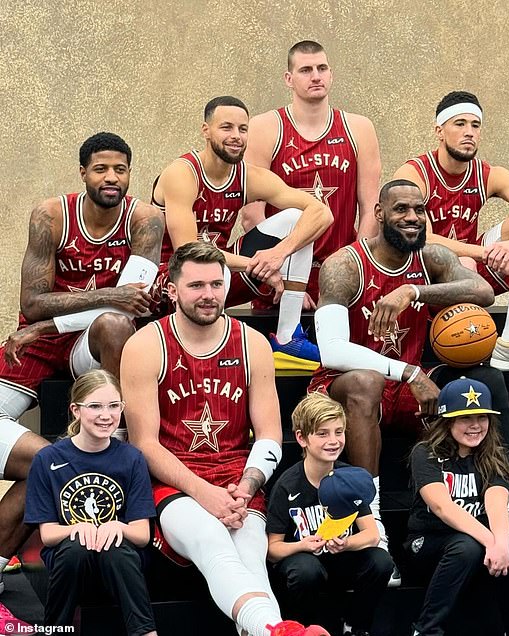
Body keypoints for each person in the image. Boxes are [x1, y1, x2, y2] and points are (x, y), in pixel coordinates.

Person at [310, 179, 509, 575]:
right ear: (379, 214)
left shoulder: (431, 258)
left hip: (406, 383)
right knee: (366, 381)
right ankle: (375, 523)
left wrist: (413, 291)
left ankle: (505, 521)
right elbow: (331, 349)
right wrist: (408, 371)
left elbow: (483, 291)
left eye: (419, 210)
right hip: (346, 384)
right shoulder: (344, 265)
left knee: (484, 383)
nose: (413, 217)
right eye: (401, 209)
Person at [120, 242, 330, 636]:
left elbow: (269, 434)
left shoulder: (251, 343)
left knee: (249, 550)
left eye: (217, 284)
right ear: (172, 289)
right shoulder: (146, 345)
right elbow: (144, 444)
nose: (209, 295)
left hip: (238, 476)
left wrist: (247, 486)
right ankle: (276, 629)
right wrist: (204, 492)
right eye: (196, 285)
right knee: (212, 539)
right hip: (173, 480)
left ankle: (273, 630)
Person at [0, 132, 163, 598]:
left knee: (116, 326)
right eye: (100, 169)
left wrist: (50, 323)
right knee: (47, 466)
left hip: (87, 343)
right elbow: (32, 303)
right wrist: (107, 294)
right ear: (83, 174)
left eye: (120, 170)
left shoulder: (146, 218)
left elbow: (128, 309)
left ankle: (115, 442)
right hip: (33, 347)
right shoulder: (51, 215)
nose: (111, 178)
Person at [151, 95, 333, 371]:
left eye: (243, 129)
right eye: (226, 127)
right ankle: (208, 347)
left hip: (223, 275)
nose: (236, 136)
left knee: (298, 218)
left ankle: (287, 339)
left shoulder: (246, 175)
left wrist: (278, 254)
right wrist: (258, 265)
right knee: (209, 268)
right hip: (170, 282)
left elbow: (322, 213)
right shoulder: (182, 173)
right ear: (206, 130)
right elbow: (187, 251)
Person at [393, 90, 509, 375]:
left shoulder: (486, 173)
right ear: (439, 131)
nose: (469, 132)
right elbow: (422, 238)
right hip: (423, 277)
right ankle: (466, 345)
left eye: (475, 125)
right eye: (459, 124)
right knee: (466, 263)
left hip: (471, 275)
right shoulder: (414, 173)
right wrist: (485, 253)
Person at [241, 40, 381, 308]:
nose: (316, 76)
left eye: (322, 68)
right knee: (283, 348)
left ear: (331, 75)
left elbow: (370, 209)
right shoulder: (265, 127)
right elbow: (252, 215)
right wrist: (284, 279)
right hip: (279, 271)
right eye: (305, 70)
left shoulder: (359, 128)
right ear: (289, 78)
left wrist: (355, 270)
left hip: (341, 268)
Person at [406, 378, 509, 636]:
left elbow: (497, 504)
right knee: (467, 546)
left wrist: (500, 543)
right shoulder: (425, 453)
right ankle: (426, 629)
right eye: (466, 418)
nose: (476, 426)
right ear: (447, 420)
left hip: (472, 541)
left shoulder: (493, 454)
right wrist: (491, 542)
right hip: (428, 540)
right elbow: (441, 507)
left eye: (482, 417)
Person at [23, 370, 157, 633]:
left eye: (113, 406)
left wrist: (116, 527)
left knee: (115, 546)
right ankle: (56, 629)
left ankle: (145, 631)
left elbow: (142, 535)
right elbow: (49, 534)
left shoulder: (132, 458)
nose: (106, 415)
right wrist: (77, 528)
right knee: (76, 546)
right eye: (95, 406)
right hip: (69, 558)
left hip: (120, 560)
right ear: (76, 410)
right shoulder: (47, 459)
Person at [266, 392, 393, 636]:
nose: (333, 441)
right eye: (323, 433)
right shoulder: (288, 485)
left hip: (339, 559)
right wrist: (302, 545)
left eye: (338, 431)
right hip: (304, 564)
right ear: (302, 438)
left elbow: (371, 535)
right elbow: (273, 549)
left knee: (381, 562)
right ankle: (300, 629)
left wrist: (346, 544)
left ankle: (356, 627)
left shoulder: (348, 478)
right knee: (305, 571)